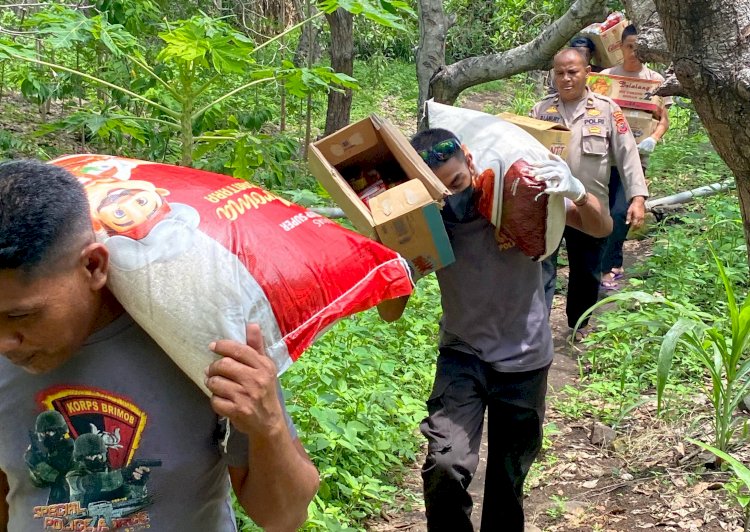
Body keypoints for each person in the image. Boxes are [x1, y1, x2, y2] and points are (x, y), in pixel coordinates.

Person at [0, 160, 319, 532]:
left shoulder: (198, 336)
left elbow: (284, 518)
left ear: (92, 266)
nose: (4, 343)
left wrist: (269, 427)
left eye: (22, 316)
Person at [379, 128, 611, 531]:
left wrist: (576, 192)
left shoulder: (517, 196)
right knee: (445, 466)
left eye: (456, 183)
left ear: (470, 160)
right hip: (463, 355)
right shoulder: (429, 224)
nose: (452, 198)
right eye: (439, 193)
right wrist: (394, 257)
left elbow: (600, 227)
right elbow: (390, 313)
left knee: (508, 481)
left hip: (525, 359)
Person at [531, 47, 649, 339]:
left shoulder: (607, 109)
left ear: (586, 73)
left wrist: (638, 198)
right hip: (549, 205)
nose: (566, 78)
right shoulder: (540, 110)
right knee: (543, 265)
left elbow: (628, 154)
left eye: (573, 72)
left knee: (586, 269)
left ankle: (578, 326)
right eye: (560, 73)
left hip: (589, 207)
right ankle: (539, 330)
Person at [599, 24, 672, 289]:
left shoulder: (655, 80)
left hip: (635, 161)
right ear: (620, 47)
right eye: (629, 46)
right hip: (602, 159)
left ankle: (611, 263)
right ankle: (600, 262)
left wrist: (654, 138)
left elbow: (664, 120)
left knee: (621, 213)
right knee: (602, 210)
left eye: (639, 48)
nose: (634, 52)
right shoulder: (607, 78)